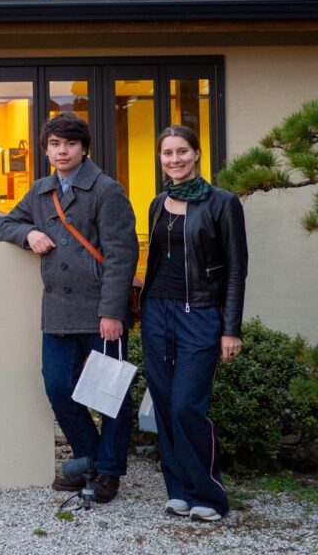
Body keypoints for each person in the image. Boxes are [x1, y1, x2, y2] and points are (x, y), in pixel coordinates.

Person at [0, 113, 138, 503]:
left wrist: (112, 312)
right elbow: (6, 224)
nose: (62, 150)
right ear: (46, 149)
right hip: (57, 308)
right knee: (58, 386)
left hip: (99, 311)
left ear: (83, 148)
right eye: (55, 144)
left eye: (70, 144)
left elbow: (122, 254)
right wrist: (29, 233)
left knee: (110, 393)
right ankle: (91, 458)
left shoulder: (107, 190)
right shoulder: (41, 190)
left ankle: (108, 473)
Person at [140, 126, 246, 522]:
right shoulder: (157, 202)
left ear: (197, 154)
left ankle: (210, 495)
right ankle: (179, 489)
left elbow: (236, 270)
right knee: (165, 405)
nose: (174, 160)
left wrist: (230, 327)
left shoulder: (223, 203)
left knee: (187, 405)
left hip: (201, 314)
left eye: (182, 151)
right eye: (167, 153)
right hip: (157, 312)